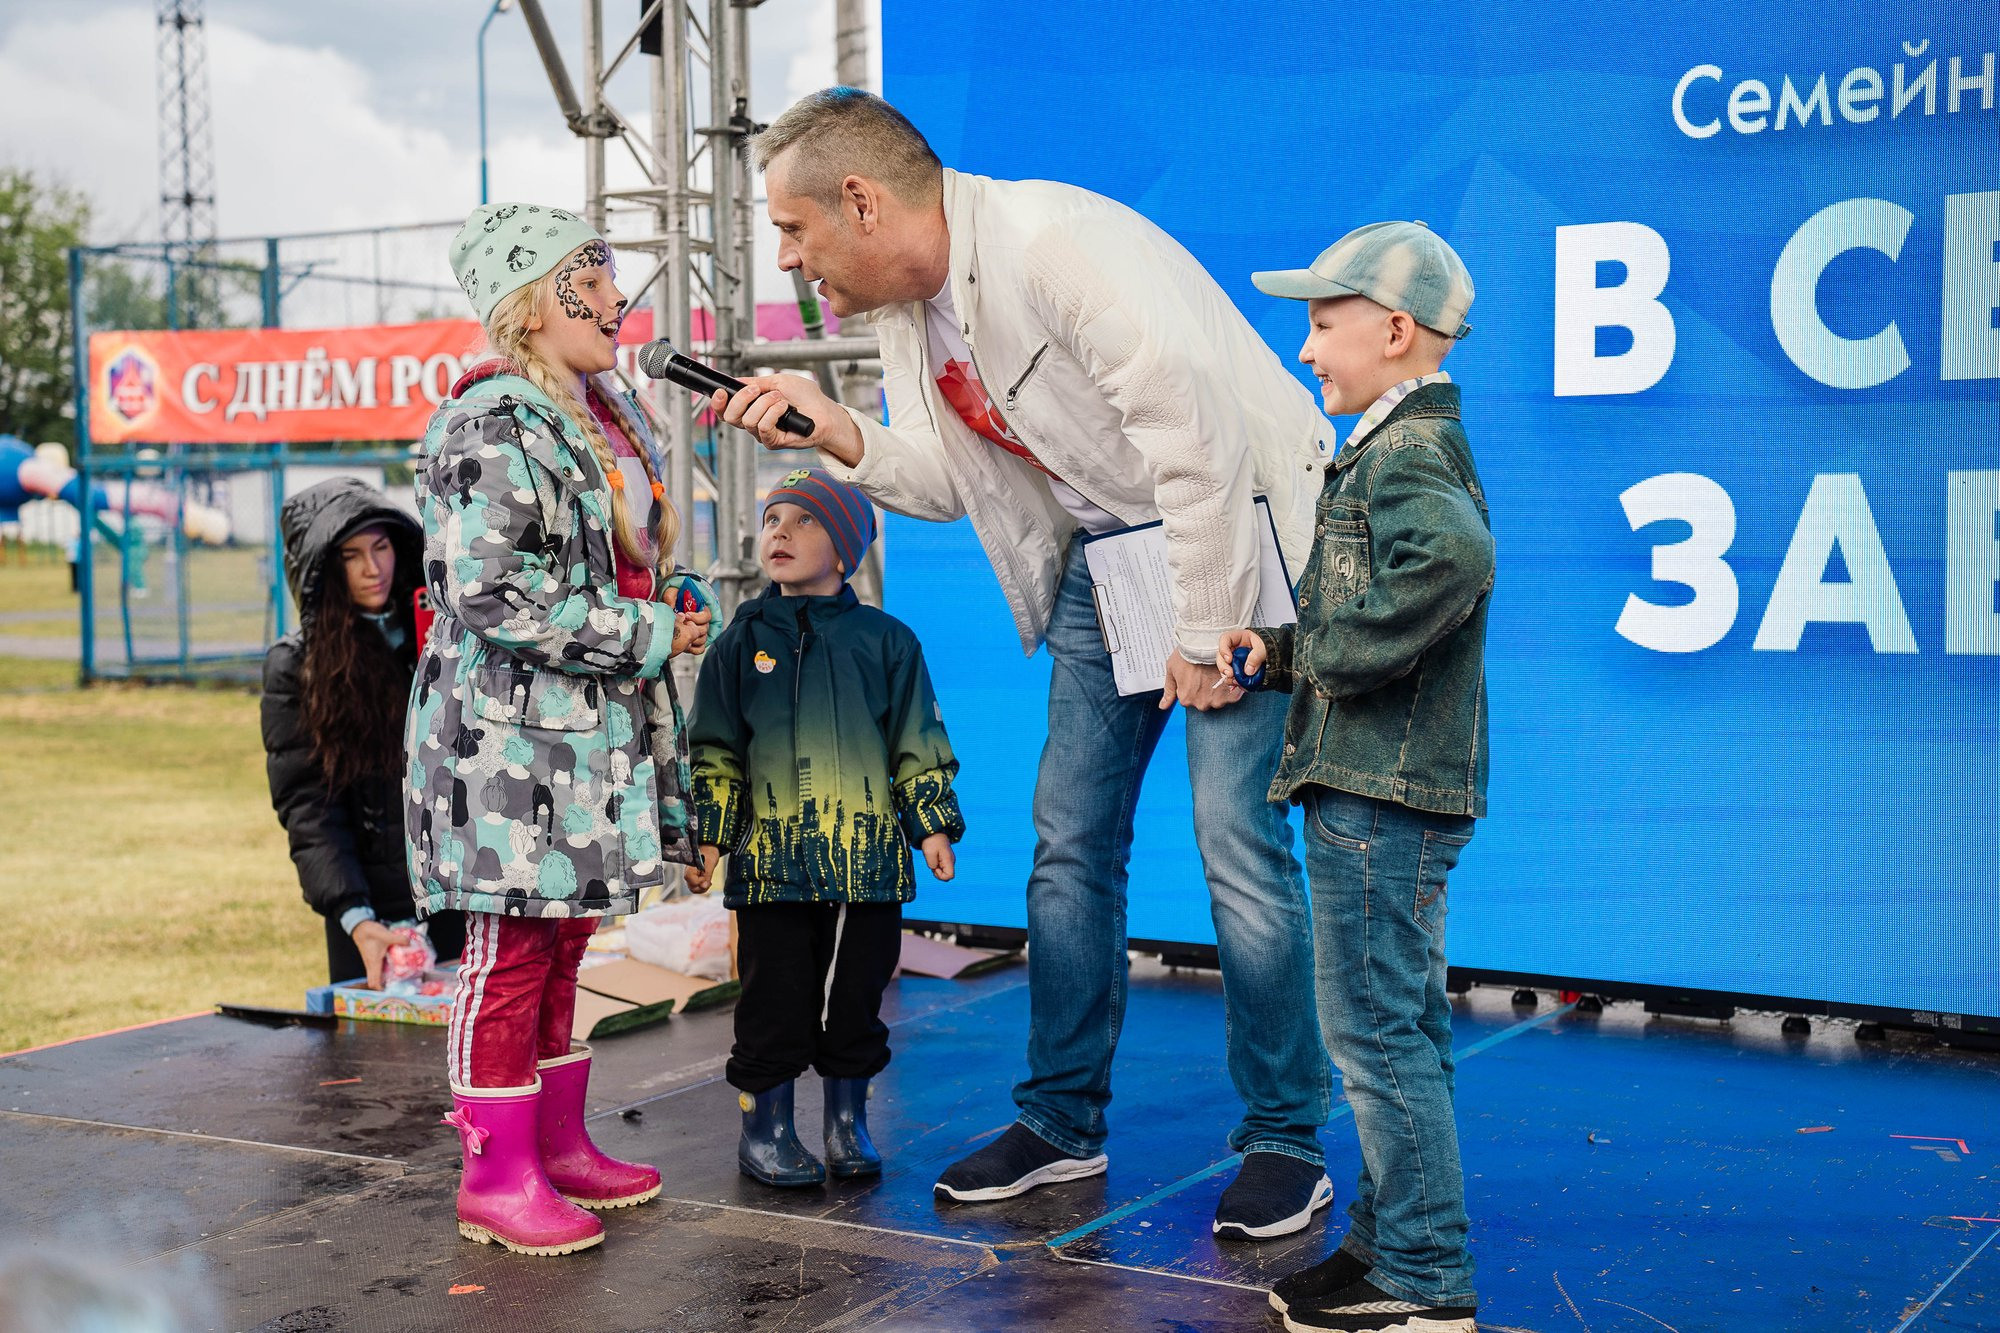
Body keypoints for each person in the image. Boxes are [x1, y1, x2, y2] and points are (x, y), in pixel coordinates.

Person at [713, 87, 1336, 1239]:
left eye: (794, 230)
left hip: (1232, 539)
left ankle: (1284, 1139)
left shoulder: (1054, 245)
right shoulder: (912, 313)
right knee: (1067, 844)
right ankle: (1059, 1123)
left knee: (1237, 842)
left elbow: (1196, 443)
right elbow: (959, 485)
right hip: (1109, 567)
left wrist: (1206, 632)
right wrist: (832, 433)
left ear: (862, 200)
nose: (791, 260)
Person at [406, 202, 714, 1258]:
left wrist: (668, 598)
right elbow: (488, 588)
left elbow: (609, 559)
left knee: (567, 935)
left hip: (579, 735)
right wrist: (643, 630)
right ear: (533, 301)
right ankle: (496, 1175)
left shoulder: (596, 410)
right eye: (591, 277)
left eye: (612, 273)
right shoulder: (492, 420)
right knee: (511, 946)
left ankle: (552, 1140)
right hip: (508, 745)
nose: (616, 299)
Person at [1217, 222, 1491, 1333]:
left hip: (1379, 794)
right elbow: (1372, 592)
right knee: (1397, 1028)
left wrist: (1322, 658)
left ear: (1391, 329)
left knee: (1376, 1036)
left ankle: (1423, 1277)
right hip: (1382, 786)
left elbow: (1453, 561)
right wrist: (1280, 653)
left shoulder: (1408, 452)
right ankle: (1385, 1239)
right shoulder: (1391, 443)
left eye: (1321, 327)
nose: (1305, 351)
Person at [685, 467, 964, 1188]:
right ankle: (765, 1129)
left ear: (844, 548)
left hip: (867, 864)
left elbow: (918, 739)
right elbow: (715, 749)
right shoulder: (738, 645)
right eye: (773, 518)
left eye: (803, 520)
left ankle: (847, 1122)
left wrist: (930, 825)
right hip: (772, 864)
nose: (779, 532)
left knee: (858, 999)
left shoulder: (887, 642)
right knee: (772, 1001)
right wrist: (710, 838)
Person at [262, 476, 464, 986]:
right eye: (352, 556)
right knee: (372, 1059)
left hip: (459, 891)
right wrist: (355, 915)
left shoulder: (441, 636)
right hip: (368, 912)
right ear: (326, 570)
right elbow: (308, 806)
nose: (373, 569)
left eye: (381, 547)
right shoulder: (298, 666)